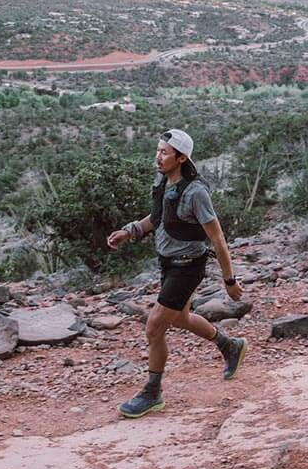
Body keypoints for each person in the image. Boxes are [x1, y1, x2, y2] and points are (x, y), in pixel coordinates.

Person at [106, 129, 248, 418]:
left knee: (155, 326)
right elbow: (158, 217)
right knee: (180, 318)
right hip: (169, 265)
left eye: (164, 153)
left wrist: (229, 280)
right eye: (157, 150)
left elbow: (218, 238)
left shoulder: (196, 192)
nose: (158, 157)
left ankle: (152, 392)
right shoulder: (163, 181)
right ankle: (230, 345)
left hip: (188, 267)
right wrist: (129, 231)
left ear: (181, 158)